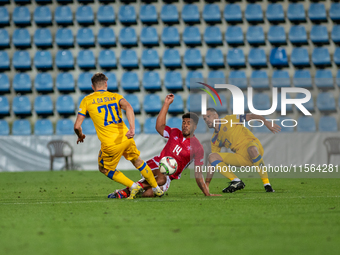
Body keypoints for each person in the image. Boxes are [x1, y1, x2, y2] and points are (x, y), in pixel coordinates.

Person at [109, 94, 221, 198]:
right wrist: (166, 104)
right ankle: (125, 191)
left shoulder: (197, 147)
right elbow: (159, 127)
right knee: (161, 178)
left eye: (189, 123)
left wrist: (207, 193)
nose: (185, 125)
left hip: (169, 178)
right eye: (184, 122)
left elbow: (198, 173)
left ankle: (137, 188)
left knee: (148, 194)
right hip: (156, 164)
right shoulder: (174, 132)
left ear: (195, 126)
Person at [74, 72, 164, 199]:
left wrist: (80, 135)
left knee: (104, 169)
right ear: (106, 84)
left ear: (92, 87)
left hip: (111, 143)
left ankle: (133, 186)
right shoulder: (116, 96)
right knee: (137, 160)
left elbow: (77, 126)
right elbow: (129, 108)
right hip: (126, 137)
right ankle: (156, 188)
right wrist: (132, 128)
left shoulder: (87, 100)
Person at [203, 108, 281, 193]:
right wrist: (206, 184)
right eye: (205, 119)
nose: (207, 120)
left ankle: (267, 185)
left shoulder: (229, 119)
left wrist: (266, 123)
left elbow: (251, 116)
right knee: (212, 156)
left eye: (208, 116)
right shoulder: (214, 139)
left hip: (253, 146)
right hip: (241, 158)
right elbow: (212, 163)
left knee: (252, 149)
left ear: (216, 115)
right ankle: (236, 181)